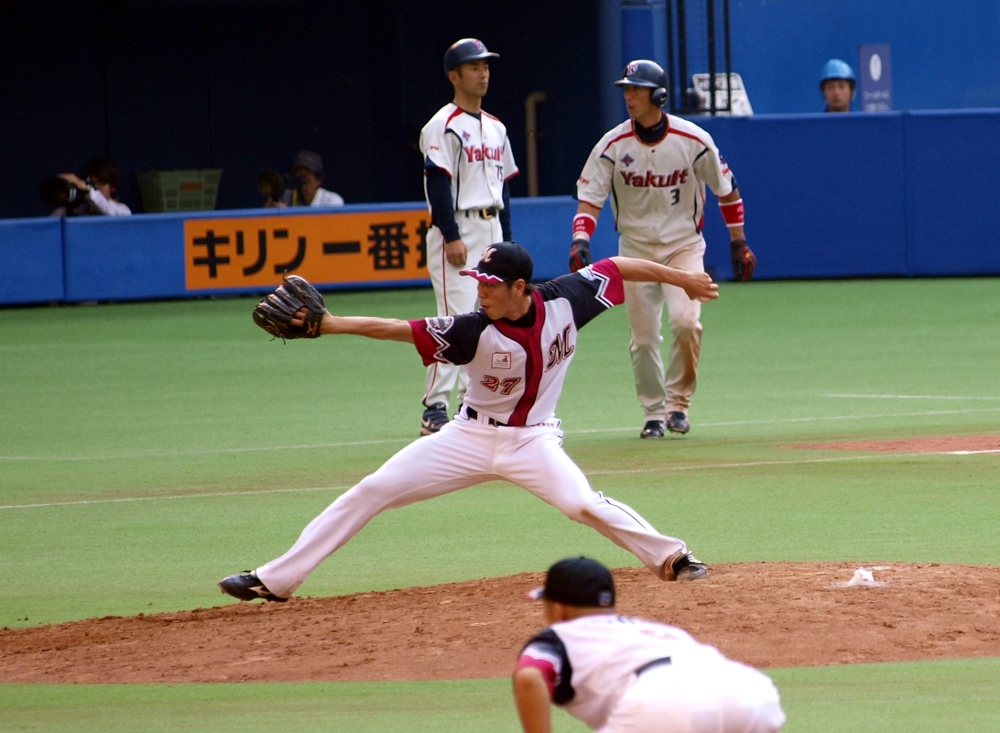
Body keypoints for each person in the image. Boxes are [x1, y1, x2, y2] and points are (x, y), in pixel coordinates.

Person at [218, 242, 717, 604]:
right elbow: (398, 329)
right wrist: (330, 324)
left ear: (520, 287)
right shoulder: (470, 331)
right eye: (479, 281)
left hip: (533, 441)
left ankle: (673, 558)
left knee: (581, 503)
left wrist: (684, 279)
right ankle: (276, 579)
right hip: (466, 437)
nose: (481, 291)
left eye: (491, 284)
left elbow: (620, 265)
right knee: (372, 489)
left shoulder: (567, 299)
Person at [568, 60, 756, 439]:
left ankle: (678, 405)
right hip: (634, 251)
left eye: (636, 89)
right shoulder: (612, 144)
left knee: (687, 323)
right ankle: (653, 412)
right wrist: (581, 239)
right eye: (626, 89)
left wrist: (739, 241)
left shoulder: (693, 140)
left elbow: (727, 190)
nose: (629, 96)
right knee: (644, 339)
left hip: (683, 247)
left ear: (659, 95)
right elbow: (590, 199)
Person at [513, 557, 787, 733]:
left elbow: (528, 677)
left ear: (559, 609)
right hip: (749, 693)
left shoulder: (558, 637)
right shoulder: (653, 630)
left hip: (658, 703)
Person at [417, 38, 518, 436]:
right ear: (454, 75)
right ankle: (434, 406)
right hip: (457, 229)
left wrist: (506, 241)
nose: (483, 73)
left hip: (491, 227)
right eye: (474, 67)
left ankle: (471, 403)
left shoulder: (496, 127)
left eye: (486, 66)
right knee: (454, 318)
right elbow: (437, 183)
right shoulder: (441, 125)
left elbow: (504, 187)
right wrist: (452, 233)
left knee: (490, 320)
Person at [46, 158, 131, 216]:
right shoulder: (74, 210)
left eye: (99, 183)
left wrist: (88, 190)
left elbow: (107, 210)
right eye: (91, 184)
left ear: (112, 187)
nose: (94, 188)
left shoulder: (122, 211)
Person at [264, 150, 344, 207]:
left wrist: (289, 216)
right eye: (298, 178)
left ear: (319, 180)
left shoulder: (331, 201)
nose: (301, 184)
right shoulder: (286, 197)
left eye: (305, 179)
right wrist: (275, 210)